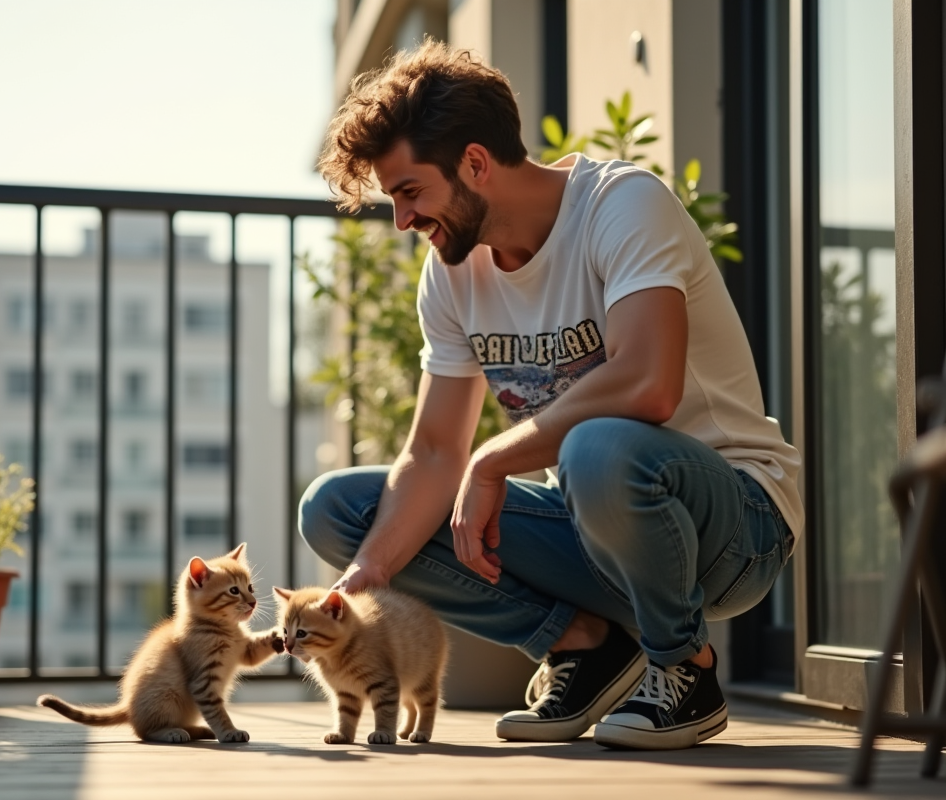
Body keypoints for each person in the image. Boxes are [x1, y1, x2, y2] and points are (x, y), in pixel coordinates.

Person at [299, 39, 802, 751]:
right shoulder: (452, 272)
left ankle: (684, 668)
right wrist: (369, 571)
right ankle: (585, 644)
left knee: (597, 445)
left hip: (736, 524)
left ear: (475, 162)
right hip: (596, 525)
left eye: (410, 192)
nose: (403, 221)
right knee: (340, 510)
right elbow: (436, 449)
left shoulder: (621, 206)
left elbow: (647, 384)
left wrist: (493, 460)